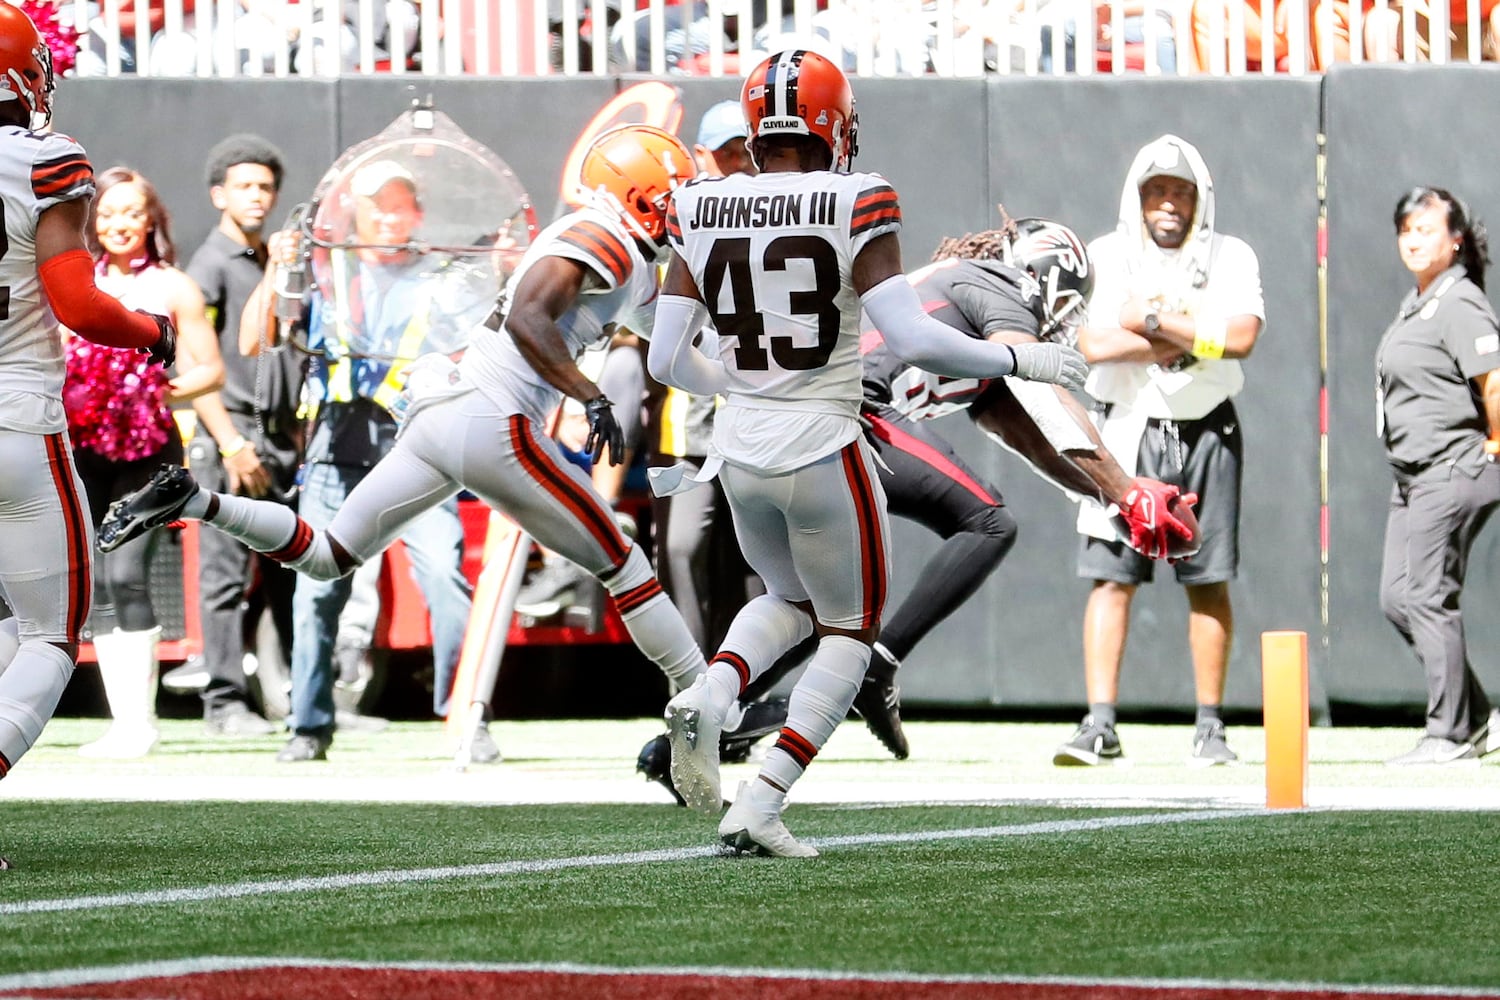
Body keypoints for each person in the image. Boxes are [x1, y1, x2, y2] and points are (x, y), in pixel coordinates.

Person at [97, 125, 712, 765]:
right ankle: (701, 715)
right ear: (637, 194)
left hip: (442, 418)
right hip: (493, 418)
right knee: (623, 562)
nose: (682, 207)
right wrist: (591, 394)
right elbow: (532, 317)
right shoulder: (602, 235)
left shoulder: (630, 256)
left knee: (329, 556)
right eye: (673, 194)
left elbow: (675, 349)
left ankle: (194, 502)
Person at [648, 49, 1086, 857]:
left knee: (786, 598)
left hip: (738, 449)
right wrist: (1024, 359)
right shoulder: (858, 198)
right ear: (835, 127)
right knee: (851, 631)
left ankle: (712, 693)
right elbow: (919, 338)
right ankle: (762, 801)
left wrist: (748, 384)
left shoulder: (697, 204)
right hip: (824, 444)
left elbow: (664, 361)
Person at [0, 1, 176, 851]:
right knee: (49, 636)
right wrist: (155, 331)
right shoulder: (40, 159)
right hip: (14, 419)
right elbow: (76, 301)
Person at [236, 158, 478, 763]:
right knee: (315, 592)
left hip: (420, 451)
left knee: (447, 583)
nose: (390, 216)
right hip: (335, 454)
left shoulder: (443, 277)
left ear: (417, 213)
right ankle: (308, 725)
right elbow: (251, 342)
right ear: (357, 212)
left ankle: (465, 715)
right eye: (378, 205)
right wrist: (276, 268)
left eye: (401, 205)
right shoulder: (324, 273)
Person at [1058, 133, 1263, 768]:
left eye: (1181, 192)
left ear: (1201, 200)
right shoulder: (1106, 254)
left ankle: (1209, 725)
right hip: (1126, 428)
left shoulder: (1230, 255)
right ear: (1137, 198)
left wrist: (1150, 323)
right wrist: (1189, 337)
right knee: (1110, 578)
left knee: (1208, 579)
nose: (1168, 205)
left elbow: (1241, 337)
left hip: (1207, 425)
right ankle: (1099, 724)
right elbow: (1090, 343)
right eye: (1156, 192)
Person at [69, 166, 224, 759]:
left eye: (132, 213)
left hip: (149, 455)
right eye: (107, 213)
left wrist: (151, 389)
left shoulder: (175, 286)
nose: (119, 224)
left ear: (152, 220)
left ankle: (141, 724)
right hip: (86, 452)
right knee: (101, 584)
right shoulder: (77, 283)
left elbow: (209, 370)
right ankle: (124, 721)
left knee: (130, 573)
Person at [1376, 187, 1500, 765]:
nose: (1413, 239)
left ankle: (1446, 734)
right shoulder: (1417, 301)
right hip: (1411, 476)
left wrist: (1497, 443)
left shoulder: (1459, 301)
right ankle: (1475, 716)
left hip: (1452, 466)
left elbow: (1493, 381)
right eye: (1406, 229)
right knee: (1398, 599)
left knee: (1427, 595)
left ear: (1455, 240)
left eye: (1426, 228)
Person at [182, 133, 296, 738]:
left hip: (274, 438)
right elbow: (194, 368)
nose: (257, 196)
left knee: (288, 570)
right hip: (229, 439)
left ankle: (306, 701)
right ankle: (223, 704)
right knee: (224, 576)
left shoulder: (263, 258)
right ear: (218, 194)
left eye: (266, 187)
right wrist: (230, 442)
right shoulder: (208, 265)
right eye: (245, 186)